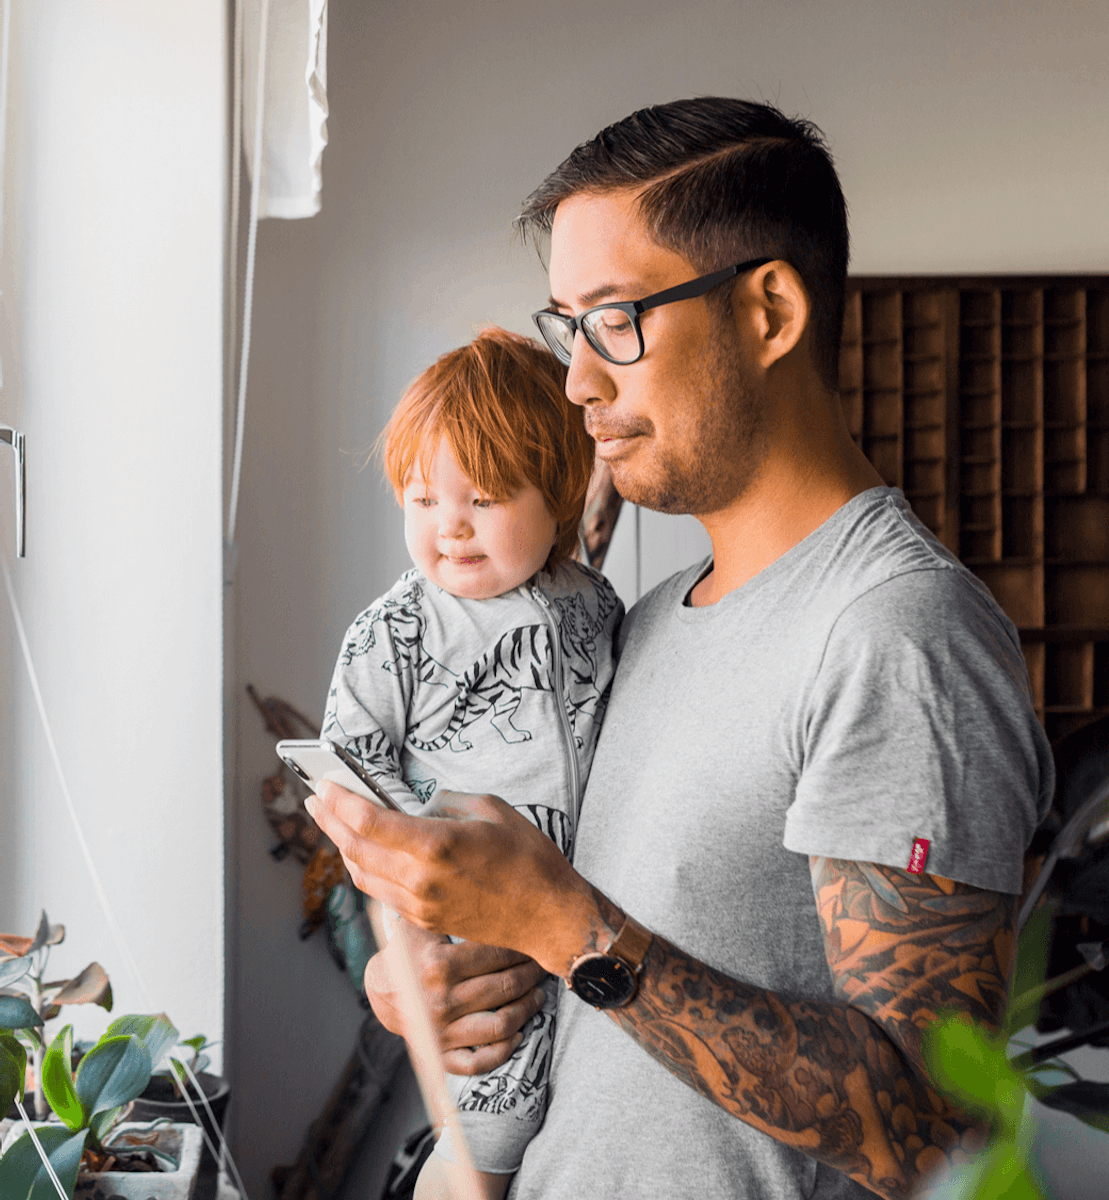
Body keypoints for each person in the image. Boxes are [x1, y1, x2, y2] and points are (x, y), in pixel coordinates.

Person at [309, 97, 1054, 1199]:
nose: (578, 381)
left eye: (616, 320)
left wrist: (565, 926)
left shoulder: (897, 635)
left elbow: (936, 1133)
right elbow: (602, 984)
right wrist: (443, 982)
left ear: (769, 311)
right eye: (567, 327)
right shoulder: (642, 623)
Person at [319, 327, 622, 1199]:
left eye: (483, 497)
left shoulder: (596, 606)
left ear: (559, 497)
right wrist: (415, 910)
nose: (448, 525)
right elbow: (348, 768)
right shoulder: (398, 629)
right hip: (470, 915)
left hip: (586, 909)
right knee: (489, 1124)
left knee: (583, 1111)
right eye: (422, 498)